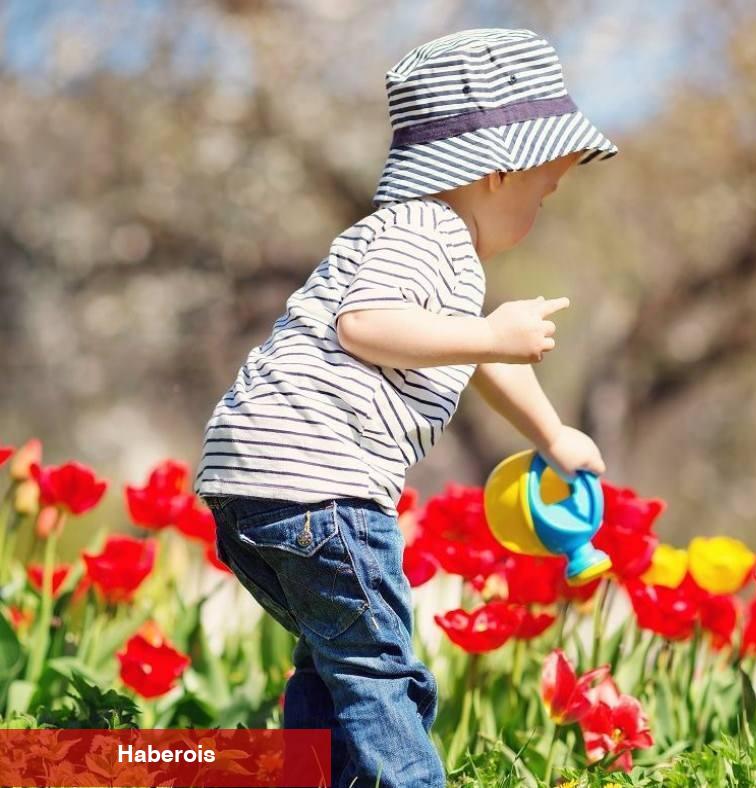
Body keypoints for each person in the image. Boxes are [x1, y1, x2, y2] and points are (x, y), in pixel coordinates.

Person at [193, 28, 616, 787]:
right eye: (542, 192)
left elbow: (478, 354)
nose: (542, 211)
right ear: (496, 170)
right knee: (383, 673)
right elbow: (367, 326)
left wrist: (554, 435)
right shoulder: (425, 233)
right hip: (321, 487)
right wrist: (489, 329)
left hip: (252, 489)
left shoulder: (426, 245)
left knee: (337, 662)